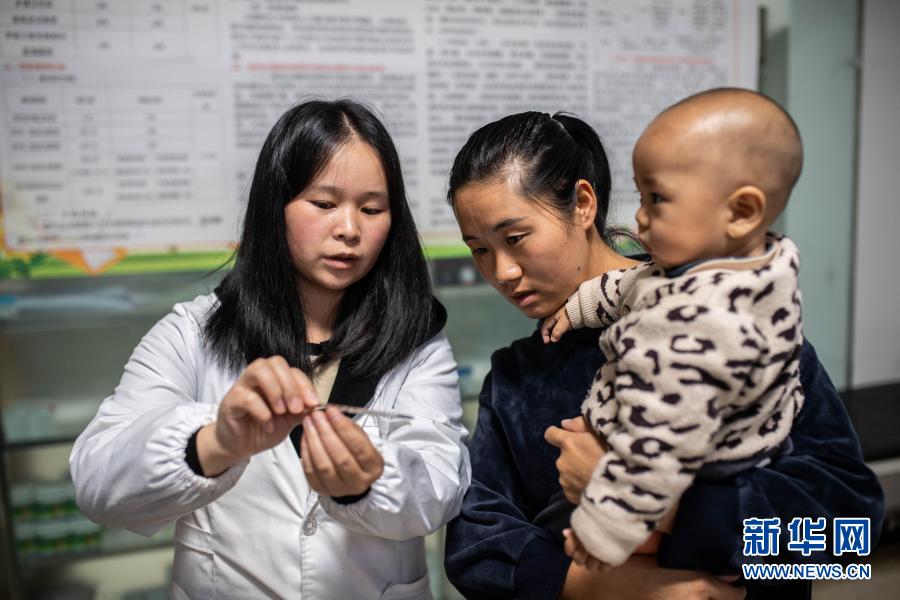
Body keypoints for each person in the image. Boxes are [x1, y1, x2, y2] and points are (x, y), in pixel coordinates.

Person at [443, 109, 884, 599]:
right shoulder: (515, 377)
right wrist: (602, 586)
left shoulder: (734, 327)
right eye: (479, 249)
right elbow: (474, 546)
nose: (502, 272)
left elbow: (848, 537)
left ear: (583, 203)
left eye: (514, 238)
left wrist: (665, 505)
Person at [70, 99, 471, 599]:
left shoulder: (417, 340)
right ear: (274, 206)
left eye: (372, 209)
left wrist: (370, 479)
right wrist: (216, 443)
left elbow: (440, 487)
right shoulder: (193, 333)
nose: (349, 229)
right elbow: (98, 484)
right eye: (323, 204)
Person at [539, 89, 807, 569]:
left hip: (690, 474)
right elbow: (633, 285)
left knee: (572, 536)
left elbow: (656, 445)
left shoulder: (699, 328)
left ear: (741, 212)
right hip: (751, 451)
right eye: (641, 196)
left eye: (657, 199)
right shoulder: (750, 270)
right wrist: (578, 308)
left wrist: (604, 528)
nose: (639, 216)